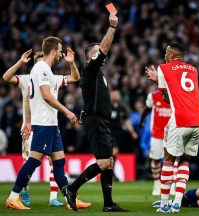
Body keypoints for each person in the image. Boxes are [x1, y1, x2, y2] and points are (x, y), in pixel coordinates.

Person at [5, 36, 79, 211]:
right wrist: (67, 111)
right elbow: (46, 96)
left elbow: (75, 78)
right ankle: (13, 197)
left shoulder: (49, 73)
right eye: (60, 50)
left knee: (59, 162)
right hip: (44, 124)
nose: (61, 54)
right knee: (33, 162)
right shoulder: (41, 69)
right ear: (53, 50)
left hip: (51, 125)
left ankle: (70, 198)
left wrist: (71, 62)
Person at [66, 14, 127, 212]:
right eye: (98, 52)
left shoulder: (98, 74)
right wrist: (112, 27)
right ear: (91, 56)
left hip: (101, 121)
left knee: (108, 163)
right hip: (96, 121)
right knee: (103, 162)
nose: (104, 55)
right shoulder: (90, 69)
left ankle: (108, 204)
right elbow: (105, 48)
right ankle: (72, 189)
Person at [146, 42, 199, 213]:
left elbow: (166, 99)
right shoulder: (193, 70)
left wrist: (157, 80)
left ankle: (164, 204)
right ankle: (177, 202)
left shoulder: (164, 68)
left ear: (171, 55)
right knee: (185, 161)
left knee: (169, 159)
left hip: (180, 119)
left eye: (166, 53)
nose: (164, 55)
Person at [139, 88, 173, 196]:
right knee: (156, 159)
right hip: (157, 134)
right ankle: (157, 184)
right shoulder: (153, 96)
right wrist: (141, 121)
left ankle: (172, 185)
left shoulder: (174, 93)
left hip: (172, 133)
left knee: (173, 160)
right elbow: (147, 109)